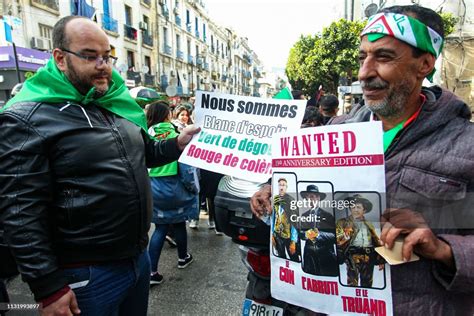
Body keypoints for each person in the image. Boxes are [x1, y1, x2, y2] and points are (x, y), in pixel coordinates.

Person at [251, 5, 473, 314]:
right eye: (362, 57)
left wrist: (444, 250)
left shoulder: (466, 145)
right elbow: (300, 191)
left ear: (424, 64)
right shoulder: (335, 131)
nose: (364, 72)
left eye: (383, 57)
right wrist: (270, 189)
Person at [0, 16, 199, 315]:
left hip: (136, 260)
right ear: (60, 58)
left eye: (107, 56)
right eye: (90, 56)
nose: (103, 65)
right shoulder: (27, 117)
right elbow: (19, 210)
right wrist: (49, 288)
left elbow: (145, 155)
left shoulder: (114, 104)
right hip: (85, 276)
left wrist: (177, 144)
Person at [146, 101, 198, 285]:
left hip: (153, 187)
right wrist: (193, 189)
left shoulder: (146, 133)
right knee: (178, 223)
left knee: (160, 228)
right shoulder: (177, 134)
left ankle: (152, 272)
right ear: (168, 115)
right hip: (175, 187)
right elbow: (187, 169)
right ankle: (183, 258)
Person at [336, 195, 383, 287]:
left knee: (368, 284)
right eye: (353, 207)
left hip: (368, 257)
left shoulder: (368, 224)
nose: (355, 210)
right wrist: (346, 236)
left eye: (358, 207)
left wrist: (381, 260)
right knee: (352, 283)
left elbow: (375, 241)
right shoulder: (342, 222)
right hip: (352, 256)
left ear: (364, 210)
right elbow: (338, 240)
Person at [299, 185, 338, 276]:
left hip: (326, 256)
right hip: (310, 257)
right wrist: (305, 234)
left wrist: (318, 235)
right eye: (307, 197)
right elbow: (300, 233)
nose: (310, 200)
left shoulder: (328, 216)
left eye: (312, 197)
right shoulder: (304, 216)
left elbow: (335, 236)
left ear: (318, 198)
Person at [272, 178, 300, 261]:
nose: (281, 187)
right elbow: (274, 216)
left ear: (286, 187)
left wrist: (293, 241)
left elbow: (295, 221)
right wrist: (272, 234)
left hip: (288, 235)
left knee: (293, 257)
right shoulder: (276, 199)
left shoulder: (291, 200)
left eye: (283, 185)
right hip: (277, 234)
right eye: (280, 185)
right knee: (280, 257)